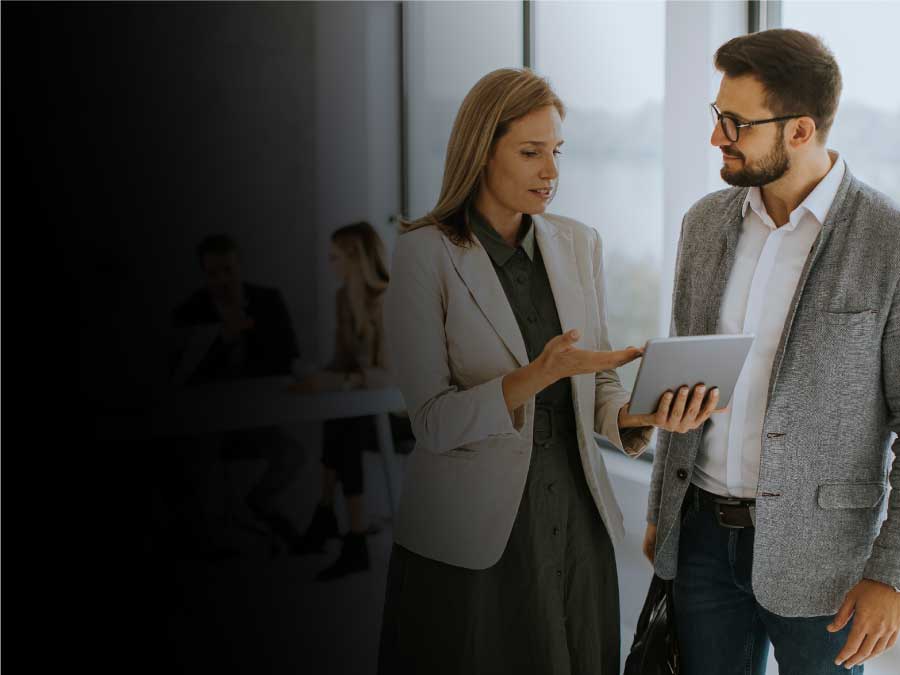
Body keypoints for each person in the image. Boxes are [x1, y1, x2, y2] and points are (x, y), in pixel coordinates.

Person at [377, 68, 716, 675]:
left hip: (575, 520)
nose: (551, 172)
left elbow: (598, 386)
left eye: (556, 152)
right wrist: (536, 374)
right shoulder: (424, 253)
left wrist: (636, 415)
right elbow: (431, 421)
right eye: (531, 152)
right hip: (476, 536)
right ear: (481, 152)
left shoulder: (578, 243)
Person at [643, 29, 900, 675]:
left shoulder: (887, 240)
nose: (716, 138)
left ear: (800, 130)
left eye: (735, 124)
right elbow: (686, 374)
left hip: (828, 561)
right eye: (716, 117)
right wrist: (662, 512)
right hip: (699, 536)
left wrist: (891, 574)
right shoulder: (703, 224)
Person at [170, 233, 304, 552]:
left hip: (258, 416)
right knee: (195, 464)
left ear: (239, 266)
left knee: (292, 455)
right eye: (213, 273)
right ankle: (208, 536)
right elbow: (181, 375)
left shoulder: (267, 302)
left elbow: (289, 356)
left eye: (228, 270)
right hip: (206, 425)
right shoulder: (191, 310)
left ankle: (258, 504)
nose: (222, 280)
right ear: (204, 275)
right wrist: (221, 339)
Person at [291, 221, 408, 581]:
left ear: (356, 258)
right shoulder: (343, 299)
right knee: (341, 417)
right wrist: (315, 378)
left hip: (402, 415)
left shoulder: (389, 300)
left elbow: (391, 377)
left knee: (350, 423)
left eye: (335, 257)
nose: (331, 264)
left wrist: (339, 380)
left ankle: (348, 531)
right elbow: (342, 360)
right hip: (366, 409)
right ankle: (332, 518)